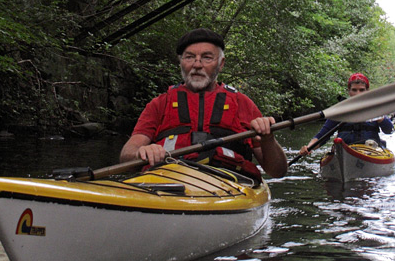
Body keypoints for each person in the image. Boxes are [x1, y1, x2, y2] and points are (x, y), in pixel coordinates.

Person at [119, 28, 287, 179]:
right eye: (190, 57)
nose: (197, 65)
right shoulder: (160, 104)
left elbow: (277, 171)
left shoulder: (242, 103)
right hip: (167, 181)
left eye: (207, 58)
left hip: (228, 185)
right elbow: (127, 154)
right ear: (181, 62)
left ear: (220, 64)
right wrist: (141, 153)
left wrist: (268, 139)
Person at [297, 72, 394, 155]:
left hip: (371, 152)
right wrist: (308, 148)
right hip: (344, 151)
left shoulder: (375, 109)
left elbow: (389, 130)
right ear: (349, 91)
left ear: (367, 91)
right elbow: (322, 136)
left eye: (361, 90)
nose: (358, 94)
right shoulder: (340, 111)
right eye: (354, 90)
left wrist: (380, 118)